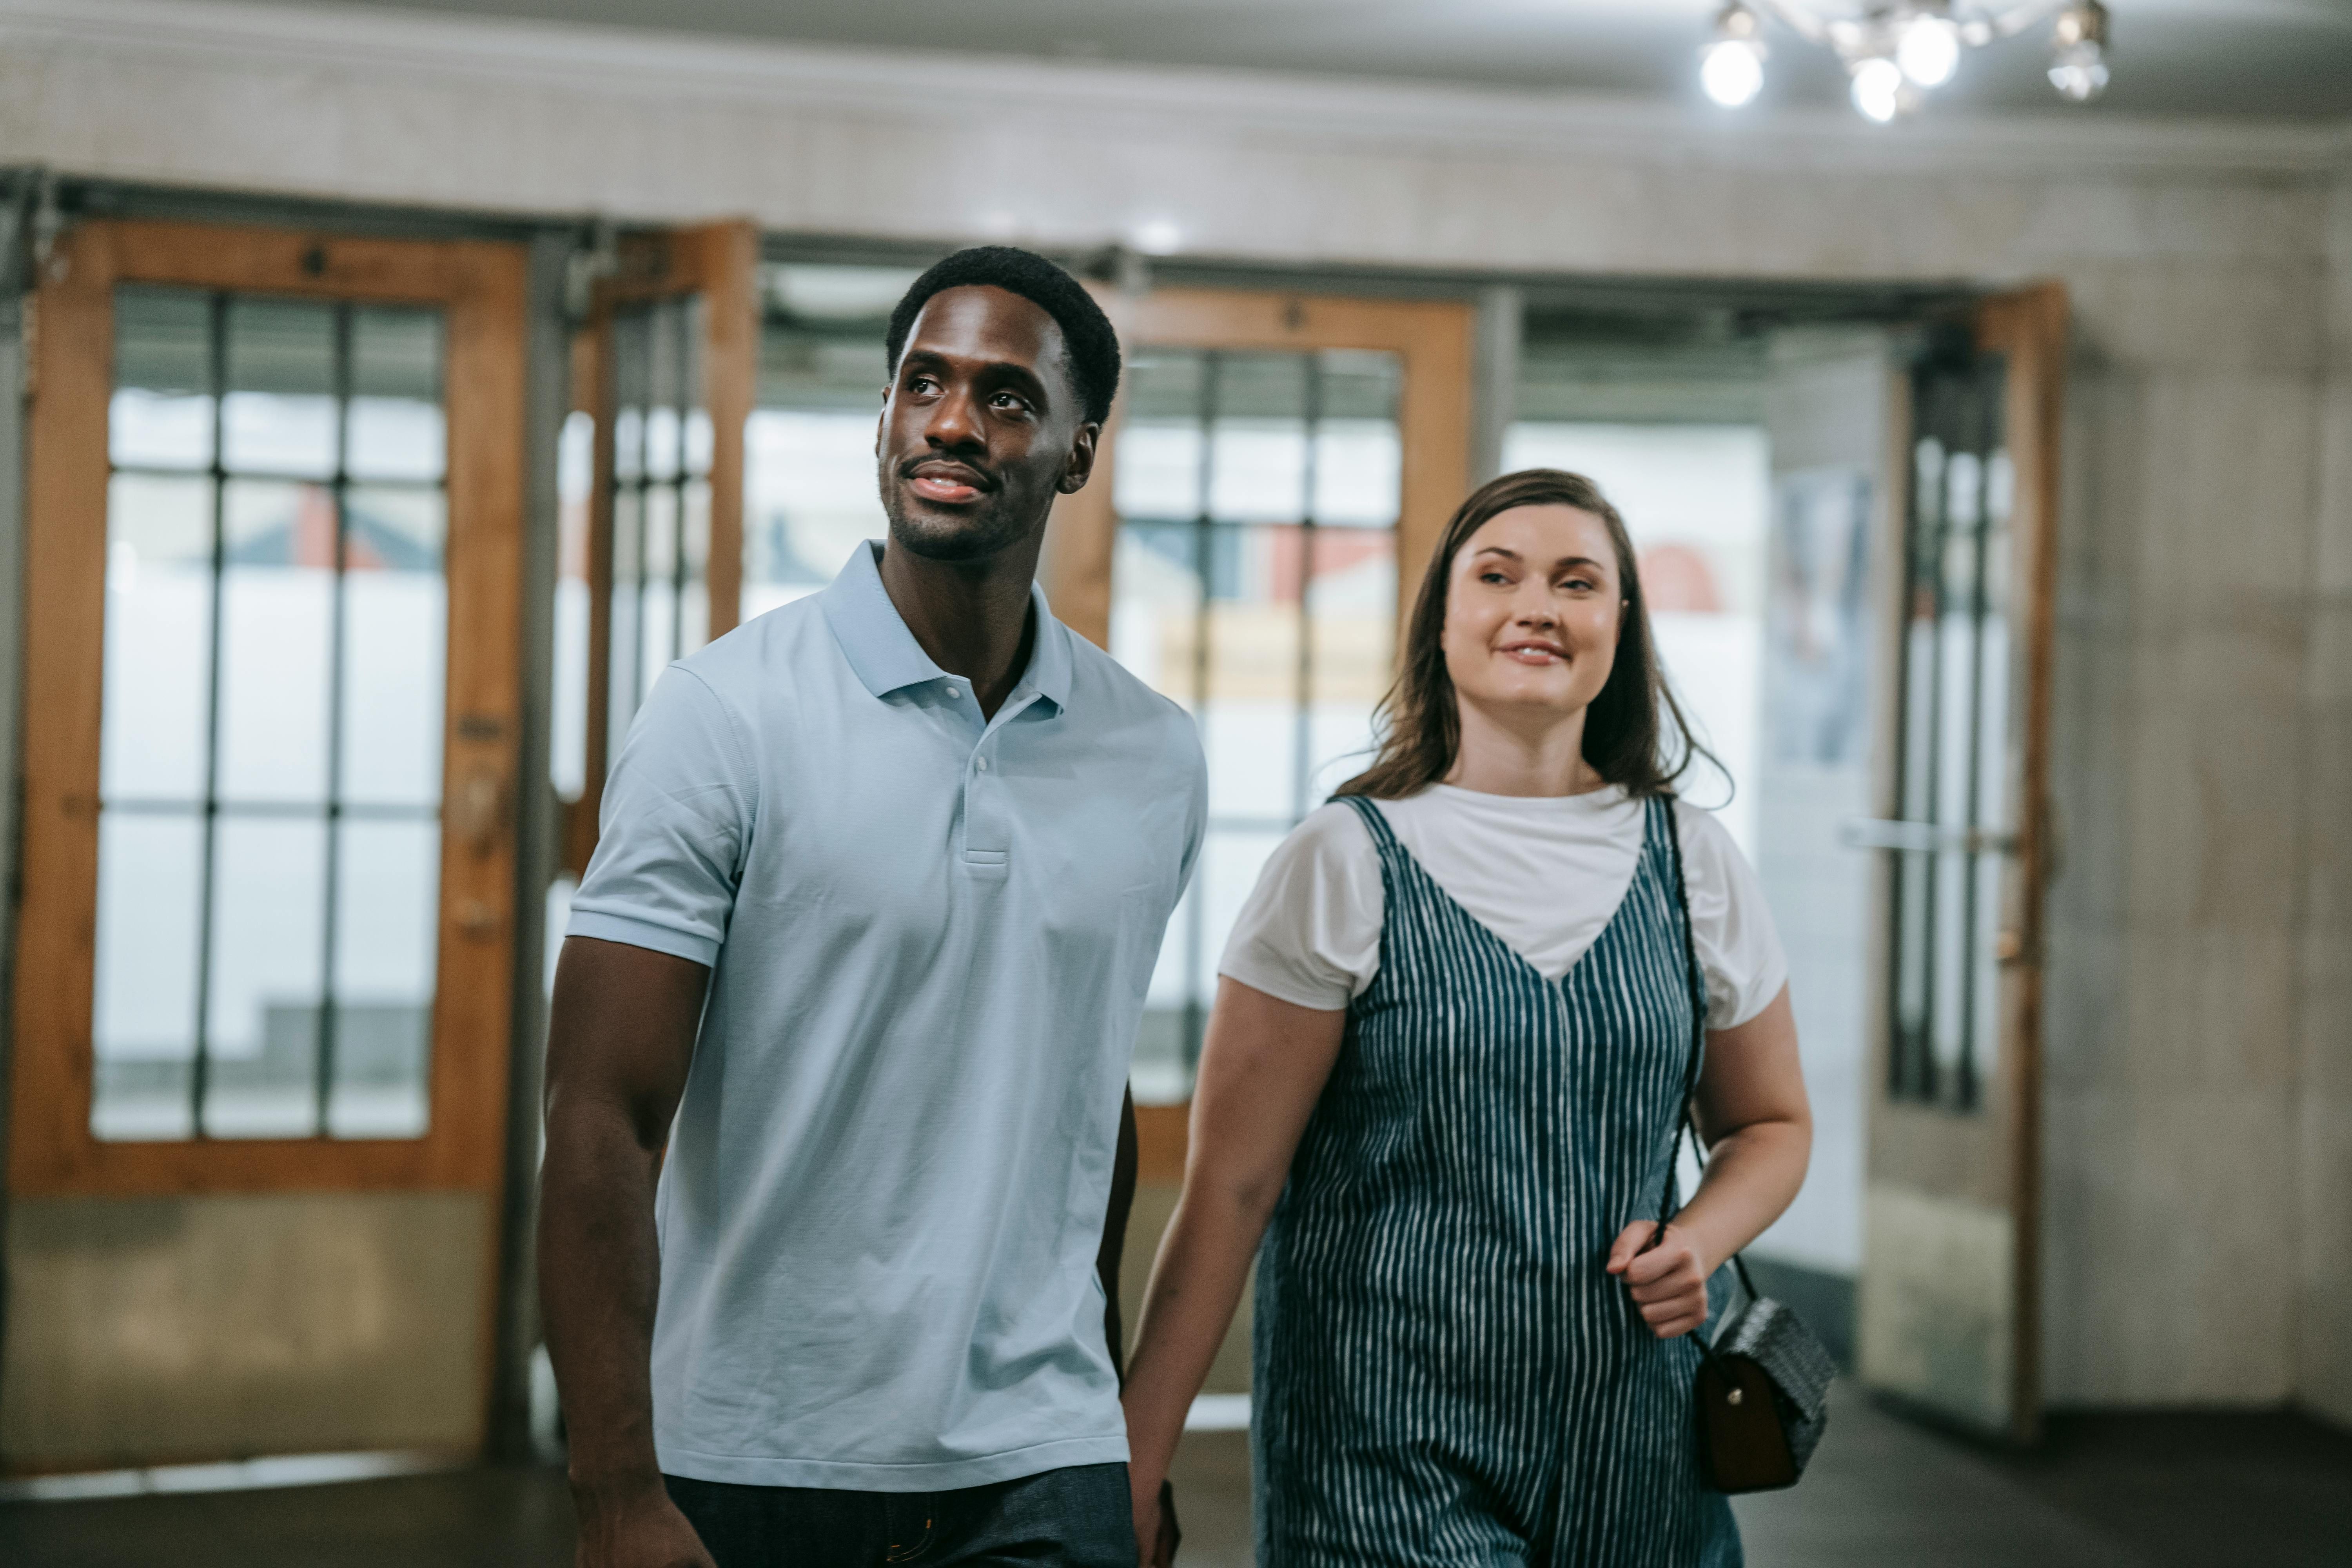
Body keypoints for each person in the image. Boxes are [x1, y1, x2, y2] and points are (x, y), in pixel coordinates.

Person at [539, 246, 1206, 1568]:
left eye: (1009, 397)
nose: (954, 422)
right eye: (924, 384)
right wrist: (616, 1490)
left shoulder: (1154, 753)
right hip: (754, 1453)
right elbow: (599, 1116)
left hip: (1043, 1458)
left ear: (1079, 450)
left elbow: (1085, 1093)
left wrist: (1118, 1426)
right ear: (888, 416)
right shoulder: (724, 716)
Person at [1119, 469, 1812, 1566]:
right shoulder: (1341, 862)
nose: (1537, 604)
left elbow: (1771, 1127)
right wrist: (1132, 1470)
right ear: (1441, 620)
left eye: (1577, 582)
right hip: (1380, 1443)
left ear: (1619, 628)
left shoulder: (1694, 864)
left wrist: (1700, 1240)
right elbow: (1233, 1187)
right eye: (1498, 576)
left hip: (1637, 1444)